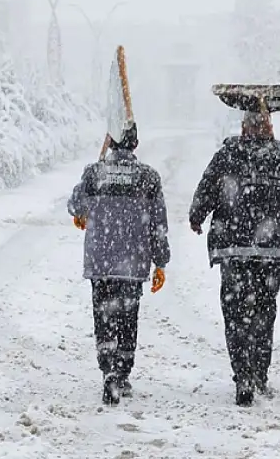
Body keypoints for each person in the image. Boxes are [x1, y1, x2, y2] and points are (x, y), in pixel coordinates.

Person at [188, 110, 280, 407]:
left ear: (243, 128)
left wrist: (197, 215)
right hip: (271, 250)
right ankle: (259, 372)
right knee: (264, 311)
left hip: (234, 247)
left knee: (235, 313)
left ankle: (242, 374)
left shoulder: (227, 154)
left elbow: (207, 187)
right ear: (268, 127)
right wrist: (278, 157)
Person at [67, 122, 171, 405]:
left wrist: (93, 176)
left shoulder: (95, 172)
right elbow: (158, 224)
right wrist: (160, 262)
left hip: (101, 261)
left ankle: (108, 368)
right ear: (135, 144)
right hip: (133, 262)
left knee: (104, 316)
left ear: (111, 143)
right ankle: (122, 372)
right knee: (128, 317)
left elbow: (75, 205)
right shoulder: (148, 177)